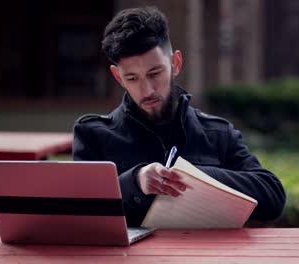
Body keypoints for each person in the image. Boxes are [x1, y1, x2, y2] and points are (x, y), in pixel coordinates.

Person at [72, 6, 286, 226]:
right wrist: (134, 183)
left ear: (175, 63)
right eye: (132, 79)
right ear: (118, 77)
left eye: (154, 74)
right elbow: (79, 212)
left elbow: (273, 196)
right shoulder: (93, 135)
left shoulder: (217, 133)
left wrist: (197, 178)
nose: (147, 91)